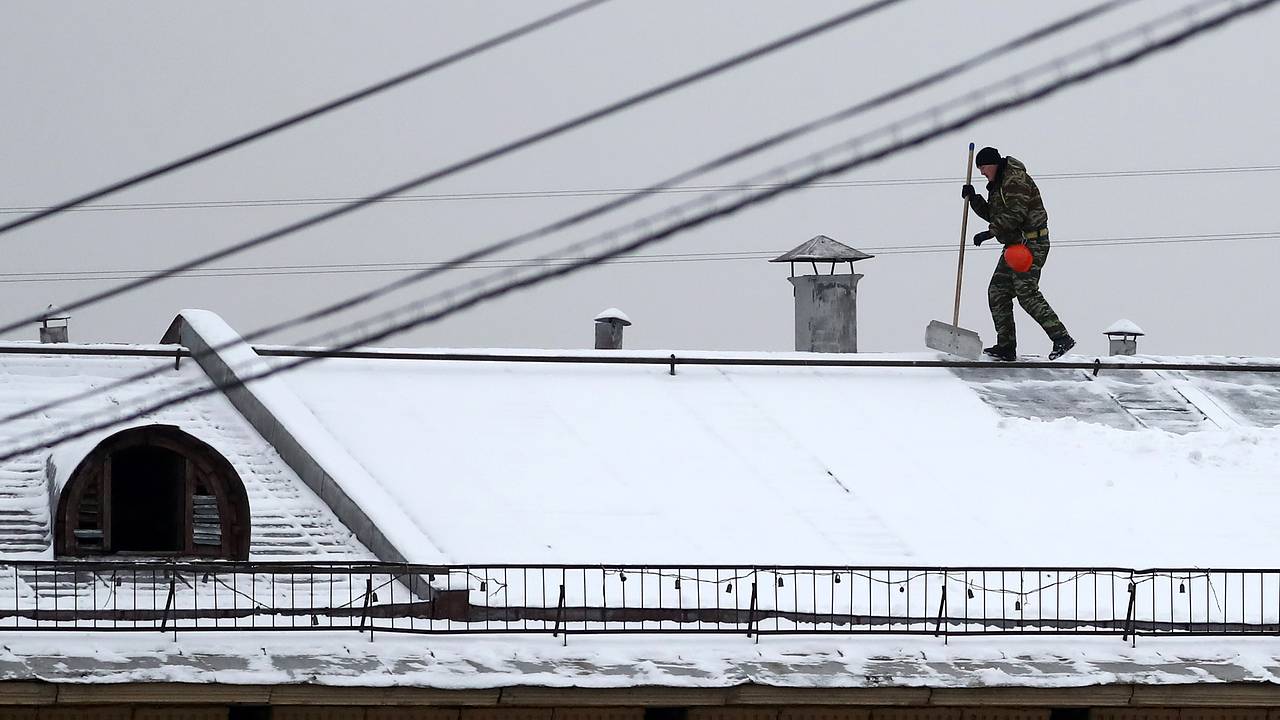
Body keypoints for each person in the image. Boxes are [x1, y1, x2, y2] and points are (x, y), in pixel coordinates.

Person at [961, 146, 1075, 361]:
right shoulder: (998, 185)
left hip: (1032, 243)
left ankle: (1061, 337)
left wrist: (990, 233)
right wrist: (974, 199)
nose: (982, 173)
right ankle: (1006, 346)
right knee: (998, 292)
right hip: (1015, 246)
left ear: (992, 164)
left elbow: (1016, 214)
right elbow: (995, 215)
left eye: (983, 168)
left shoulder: (1014, 180)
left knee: (1026, 293)